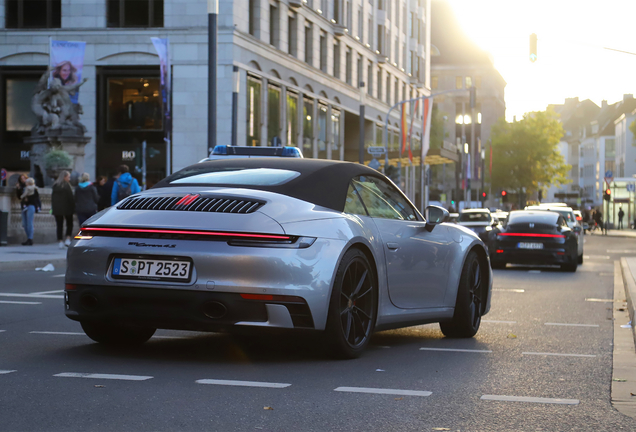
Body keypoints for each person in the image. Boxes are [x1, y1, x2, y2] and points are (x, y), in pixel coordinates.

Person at [52, 170, 75, 248]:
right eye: (68, 177)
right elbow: (70, 197)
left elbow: (53, 199)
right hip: (67, 208)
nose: (69, 179)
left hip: (57, 209)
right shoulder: (67, 185)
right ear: (64, 177)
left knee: (59, 225)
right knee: (69, 224)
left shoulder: (55, 185)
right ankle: (68, 239)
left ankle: (60, 241)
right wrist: (73, 207)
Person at [18, 177, 41, 246]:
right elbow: (19, 196)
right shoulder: (24, 188)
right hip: (24, 206)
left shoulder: (34, 189)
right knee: (25, 224)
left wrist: (27, 199)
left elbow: (36, 199)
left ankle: (30, 239)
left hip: (31, 206)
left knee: (29, 223)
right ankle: (29, 238)